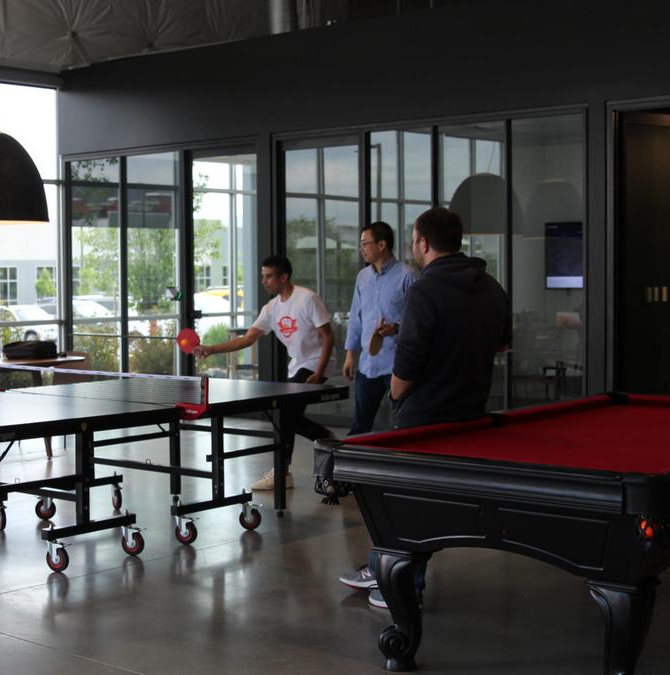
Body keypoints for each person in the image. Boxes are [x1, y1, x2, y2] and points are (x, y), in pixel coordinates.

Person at [342, 206, 511, 608]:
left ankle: (400, 585)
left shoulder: (423, 289)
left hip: (424, 414)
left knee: (402, 502)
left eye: (413, 240)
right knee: (415, 502)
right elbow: (502, 342)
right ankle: (381, 567)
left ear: (422, 243)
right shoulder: (491, 286)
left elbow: (412, 356)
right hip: (470, 409)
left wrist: (397, 393)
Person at [194, 255, 334, 491]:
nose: (264, 281)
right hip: (298, 366)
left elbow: (328, 337)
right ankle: (325, 439)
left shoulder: (307, 299)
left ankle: (282, 470)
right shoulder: (271, 309)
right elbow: (247, 339)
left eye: (268, 276)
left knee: (285, 413)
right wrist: (211, 349)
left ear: (283, 277)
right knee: (287, 415)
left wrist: (319, 371)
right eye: (263, 276)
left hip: (316, 363)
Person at [342, 222, 417, 435]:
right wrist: (350, 355)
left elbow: (418, 321)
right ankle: (352, 467)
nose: (361, 248)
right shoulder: (362, 277)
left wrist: (397, 327)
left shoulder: (407, 275)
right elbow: (356, 318)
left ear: (382, 244)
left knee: (403, 423)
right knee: (359, 425)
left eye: (365, 243)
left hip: (397, 364)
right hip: (368, 364)